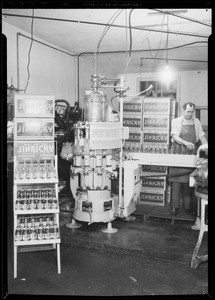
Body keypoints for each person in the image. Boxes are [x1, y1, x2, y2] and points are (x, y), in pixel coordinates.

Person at [169, 102, 207, 216]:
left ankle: (188, 207)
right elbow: (175, 136)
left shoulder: (196, 121)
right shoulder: (176, 121)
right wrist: (186, 143)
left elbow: (201, 136)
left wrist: (206, 147)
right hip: (178, 153)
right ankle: (174, 207)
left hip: (191, 154)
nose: (190, 114)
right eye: (188, 112)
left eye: (192, 112)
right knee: (176, 182)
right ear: (183, 111)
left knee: (189, 181)